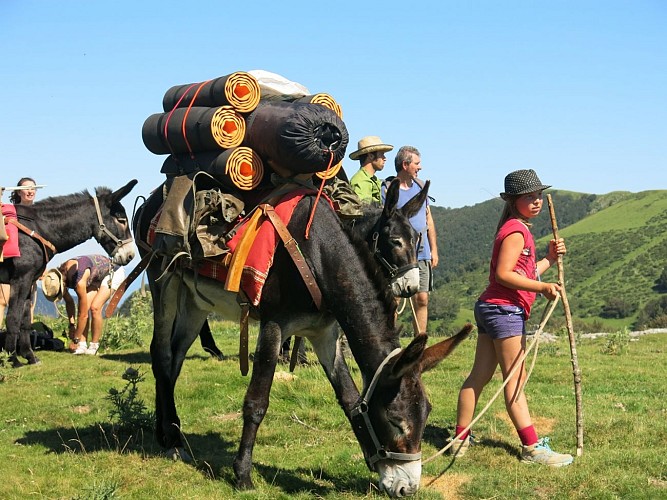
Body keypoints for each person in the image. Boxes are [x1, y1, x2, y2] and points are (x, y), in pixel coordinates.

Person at [450, 169, 573, 467]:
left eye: (538, 196)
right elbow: (505, 276)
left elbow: (521, 273)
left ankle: (459, 439)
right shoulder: (517, 231)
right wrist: (543, 287)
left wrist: (549, 261)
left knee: (479, 376)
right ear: (513, 200)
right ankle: (531, 448)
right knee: (515, 381)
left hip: (491, 307)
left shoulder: (513, 227)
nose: (536, 202)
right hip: (504, 311)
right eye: (528, 197)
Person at [383, 145, 438, 335]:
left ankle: (419, 341)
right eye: (417, 163)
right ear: (405, 165)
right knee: (395, 298)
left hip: (422, 251)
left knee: (422, 298)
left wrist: (434, 249)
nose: (420, 167)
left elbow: (428, 218)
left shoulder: (421, 187)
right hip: (399, 253)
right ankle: (390, 339)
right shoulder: (389, 189)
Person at [41, 254, 125, 355]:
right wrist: (71, 325)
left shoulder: (78, 279)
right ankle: (82, 344)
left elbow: (83, 315)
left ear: (62, 284)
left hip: (113, 272)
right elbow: (69, 302)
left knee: (95, 308)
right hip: (95, 277)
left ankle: (94, 346)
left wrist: (75, 339)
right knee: (84, 307)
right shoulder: (63, 275)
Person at [1, 177, 38, 329]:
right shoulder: (10, 209)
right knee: (3, 300)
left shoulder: (39, 213)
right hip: (11, 261)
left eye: (33, 188)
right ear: (18, 192)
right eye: (26, 188)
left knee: (27, 303)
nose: (30, 191)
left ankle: (24, 339)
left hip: (31, 263)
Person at [348, 136, 393, 207]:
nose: (384, 158)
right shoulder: (361, 181)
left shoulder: (374, 179)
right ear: (371, 156)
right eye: (382, 154)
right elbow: (364, 212)